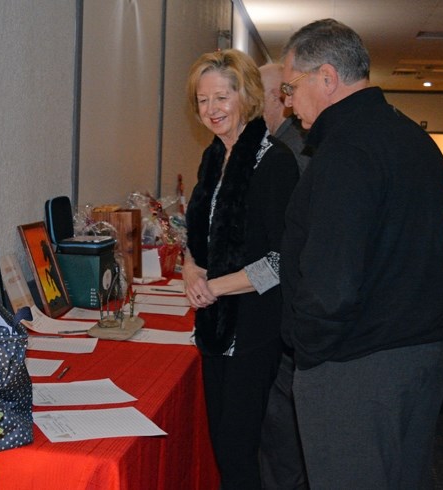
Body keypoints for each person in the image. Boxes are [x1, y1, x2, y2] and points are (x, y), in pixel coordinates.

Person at [279, 19, 443, 489]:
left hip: (358, 366)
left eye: (291, 87)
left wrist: (308, 351)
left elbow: (330, 279)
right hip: (423, 351)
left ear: (328, 78)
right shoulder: (415, 140)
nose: (288, 102)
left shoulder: (346, 151)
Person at [183, 49, 299, 490]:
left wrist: (213, 286)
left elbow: (281, 262)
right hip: (214, 324)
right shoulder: (214, 159)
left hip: (254, 330)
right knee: (223, 447)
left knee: (237, 451)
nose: (211, 109)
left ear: (246, 96)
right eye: (202, 100)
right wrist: (191, 271)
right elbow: (197, 238)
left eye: (220, 97)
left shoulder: (275, 163)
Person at [257, 62, 309, 490]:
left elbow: (280, 253)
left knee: (279, 432)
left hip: (283, 309)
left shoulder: (289, 155)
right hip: (279, 303)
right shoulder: (281, 147)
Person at [259, 63, 311, 175]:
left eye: (255, 96)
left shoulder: (289, 147)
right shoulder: (296, 137)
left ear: (275, 97)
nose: (250, 104)